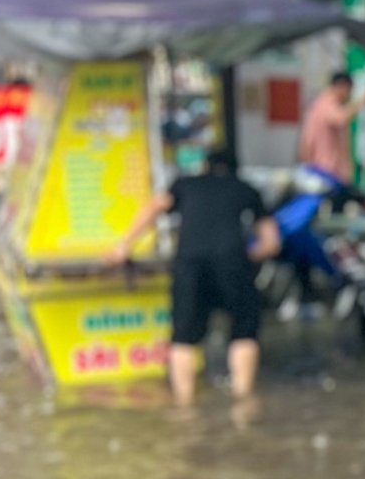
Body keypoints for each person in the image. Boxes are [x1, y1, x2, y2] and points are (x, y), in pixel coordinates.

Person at [112, 150, 280, 405]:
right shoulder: (246, 189)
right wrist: (249, 256)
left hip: (189, 263)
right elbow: (271, 243)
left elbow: (155, 206)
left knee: (184, 336)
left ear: (204, 166)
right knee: (244, 331)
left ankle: (184, 404)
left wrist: (123, 245)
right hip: (232, 263)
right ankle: (243, 401)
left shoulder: (185, 185)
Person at [299, 71, 365, 190]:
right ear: (342, 86)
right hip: (328, 171)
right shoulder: (327, 104)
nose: (349, 95)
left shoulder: (318, 104)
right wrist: (364, 100)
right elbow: (342, 118)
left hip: (322, 170)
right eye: (349, 90)